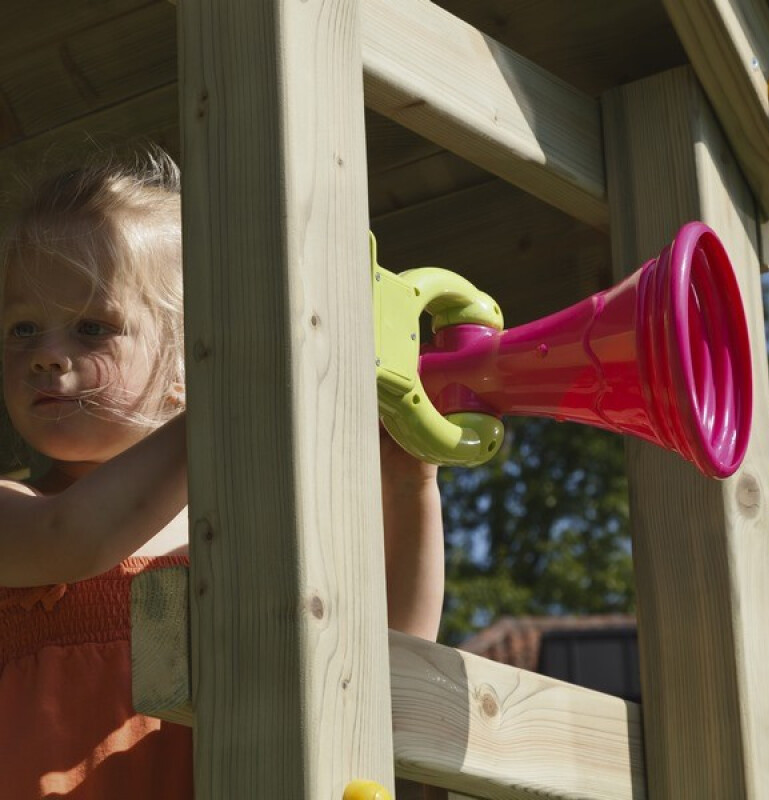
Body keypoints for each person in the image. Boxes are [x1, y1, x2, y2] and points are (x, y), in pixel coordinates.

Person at [0, 150, 444, 798]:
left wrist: (409, 485)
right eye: (21, 329)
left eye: (91, 327)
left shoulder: (244, 542)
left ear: (189, 363)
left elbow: (391, 652)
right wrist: (231, 392)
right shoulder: (19, 511)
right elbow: (75, 540)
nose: (45, 355)